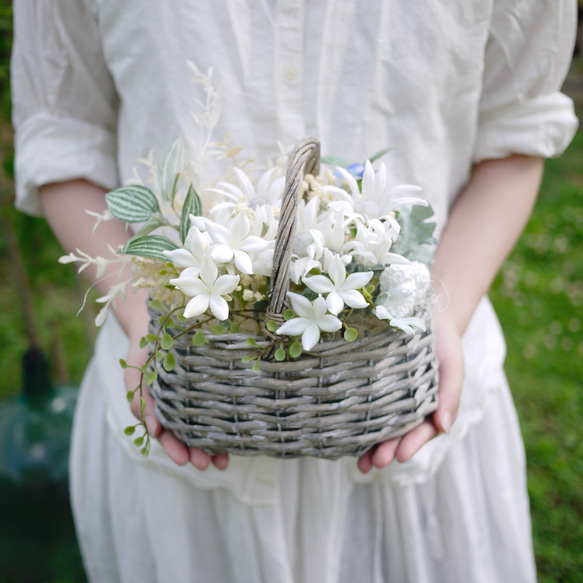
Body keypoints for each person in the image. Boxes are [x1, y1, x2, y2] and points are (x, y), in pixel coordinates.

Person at [11, 1, 578, 581]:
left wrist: (443, 318)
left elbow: (516, 127)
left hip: (407, 395)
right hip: (185, 394)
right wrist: (140, 318)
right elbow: (61, 135)